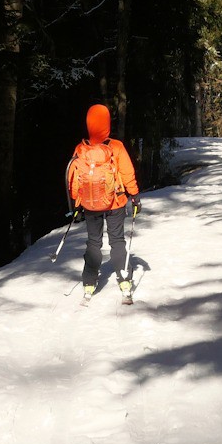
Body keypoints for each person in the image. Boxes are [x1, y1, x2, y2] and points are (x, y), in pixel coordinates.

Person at [65, 103, 140, 303]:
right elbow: (127, 172)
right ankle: (124, 280)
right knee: (117, 241)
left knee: (93, 242)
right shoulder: (115, 146)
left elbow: (73, 177)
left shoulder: (81, 148)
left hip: (90, 204)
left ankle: (89, 283)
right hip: (115, 202)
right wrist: (134, 195)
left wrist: (77, 202)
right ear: (107, 123)